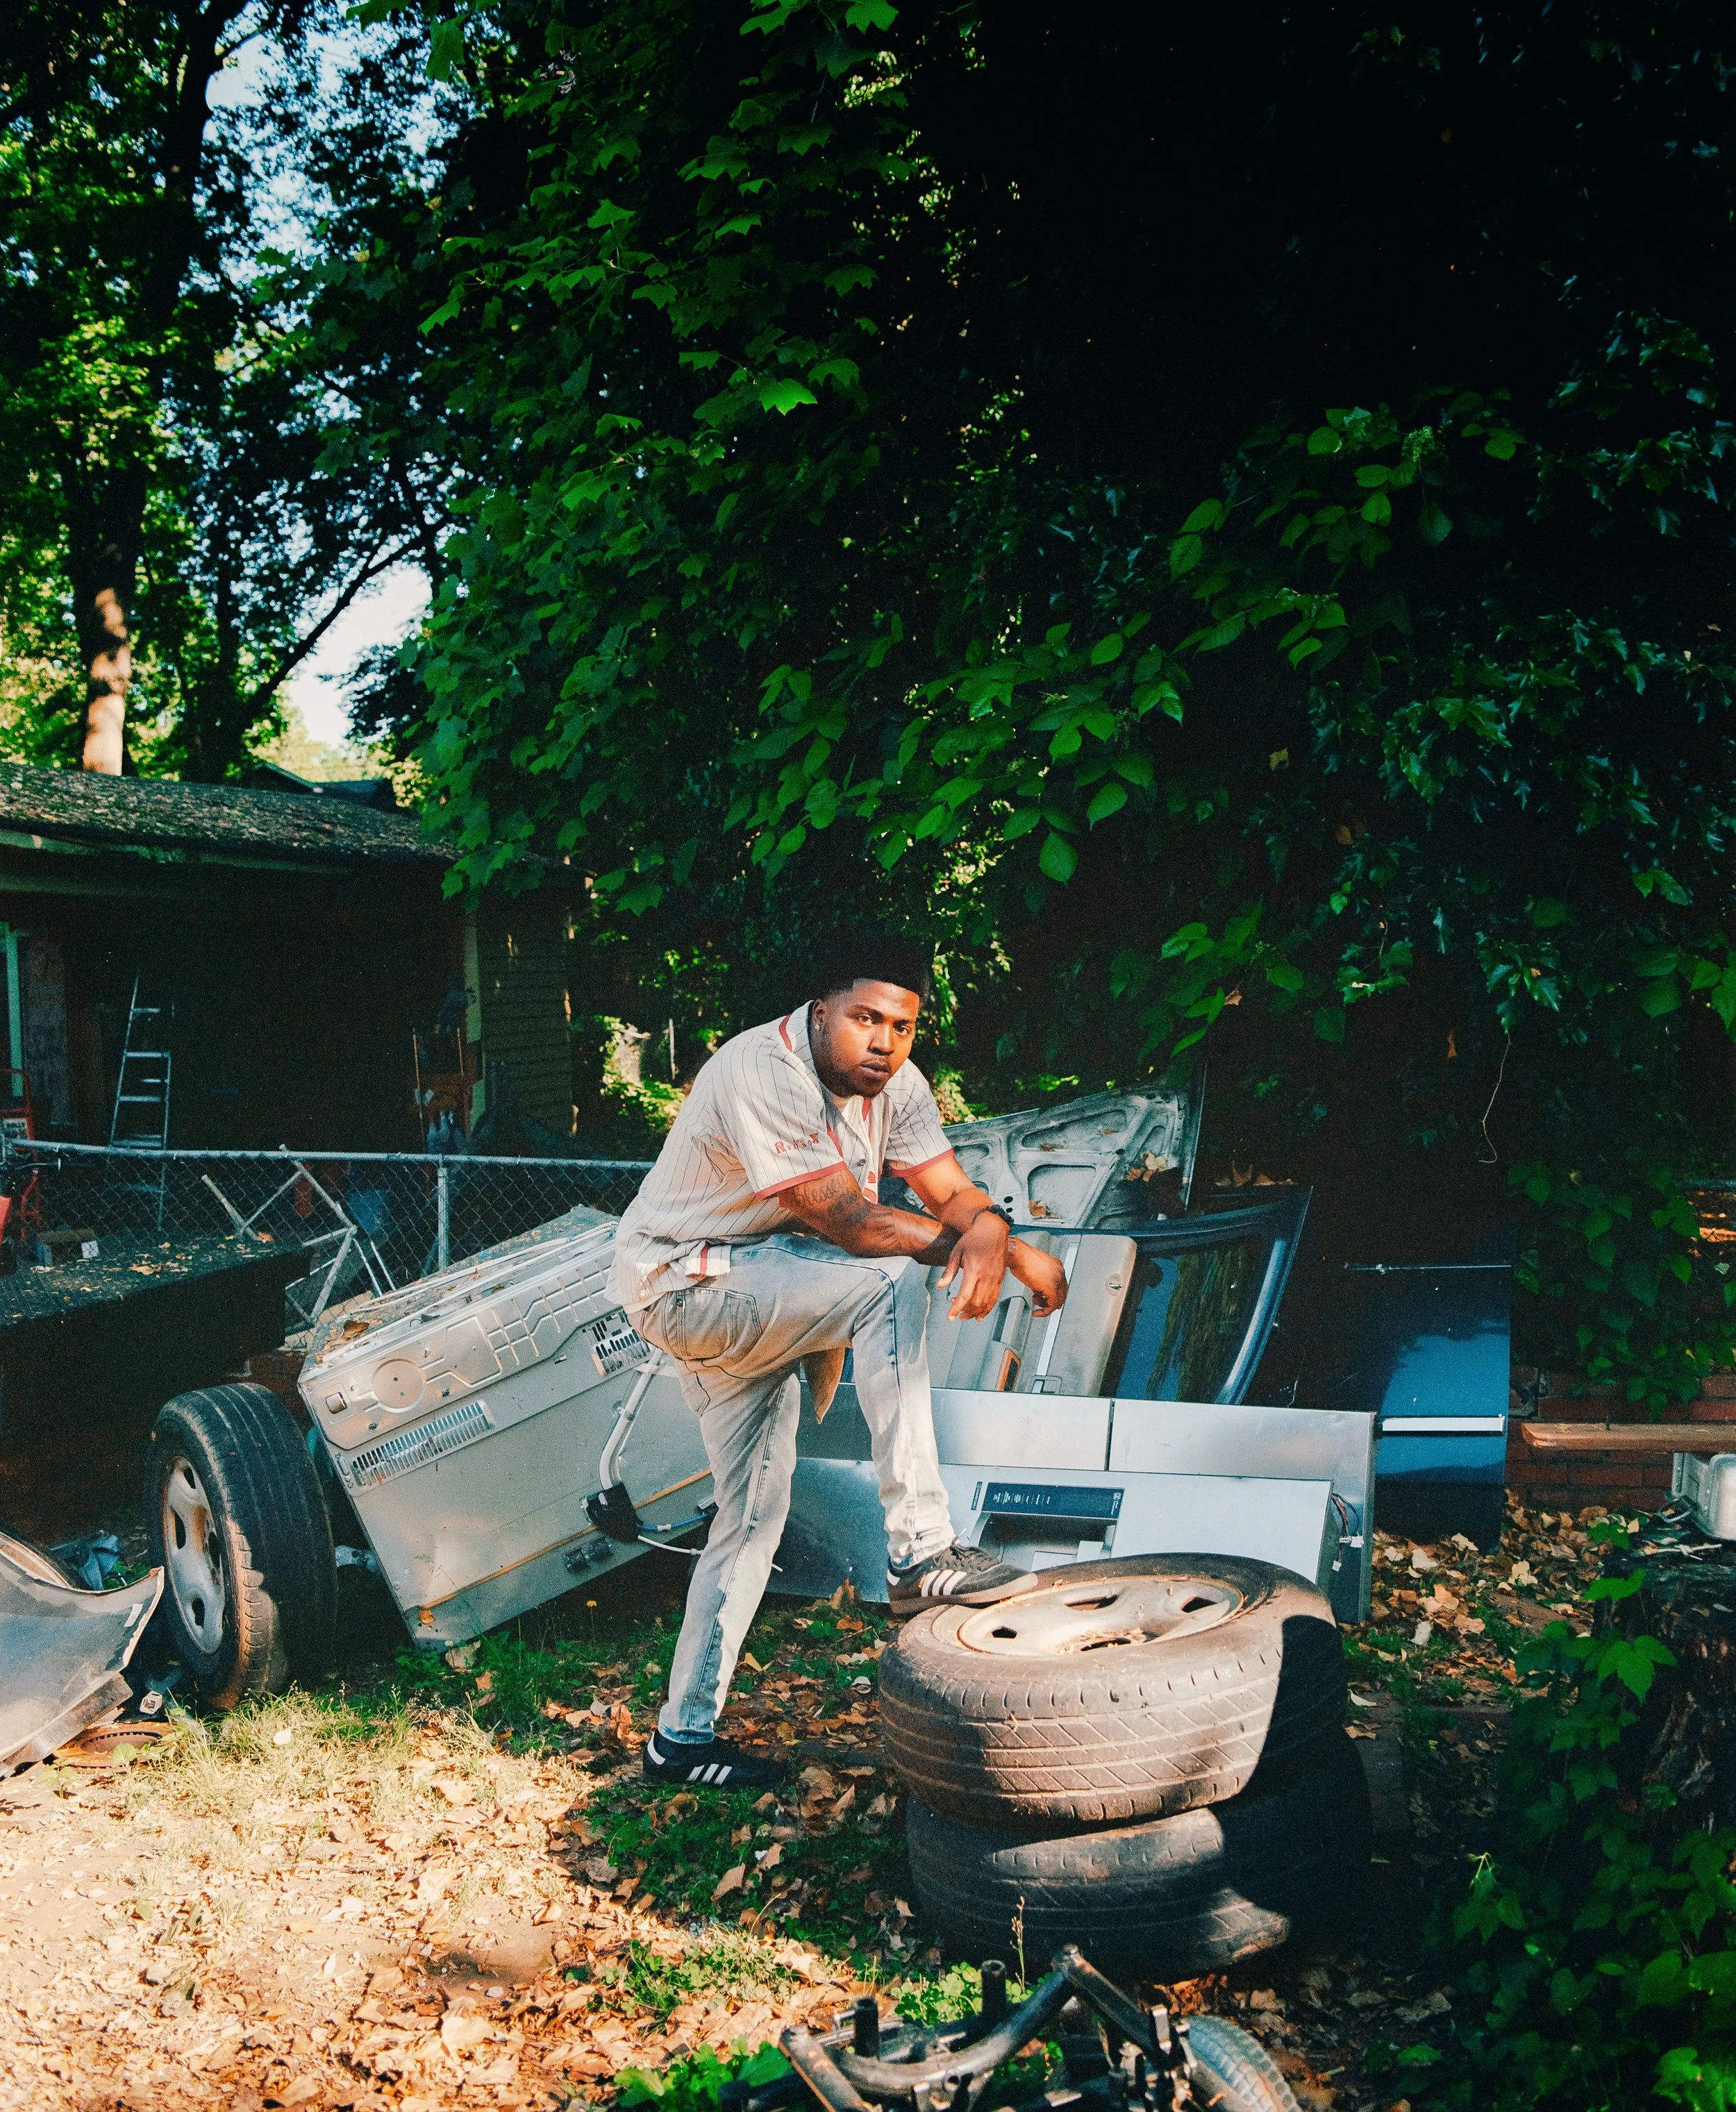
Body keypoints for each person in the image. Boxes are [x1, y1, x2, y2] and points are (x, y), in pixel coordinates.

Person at [610, 931, 1070, 1790]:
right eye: (864, 1019)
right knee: (888, 1281)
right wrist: (993, 1254)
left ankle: (681, 1739)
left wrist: (996, 1229)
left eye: (902, 1026)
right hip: (685, 1285)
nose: (884, 1042)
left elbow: (952, 1193)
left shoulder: (895, 1086)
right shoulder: (761, 1071)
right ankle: (921, 1550)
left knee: (749, 1522)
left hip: (759, 1289)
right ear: (819, 1012)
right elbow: (852, 1226)